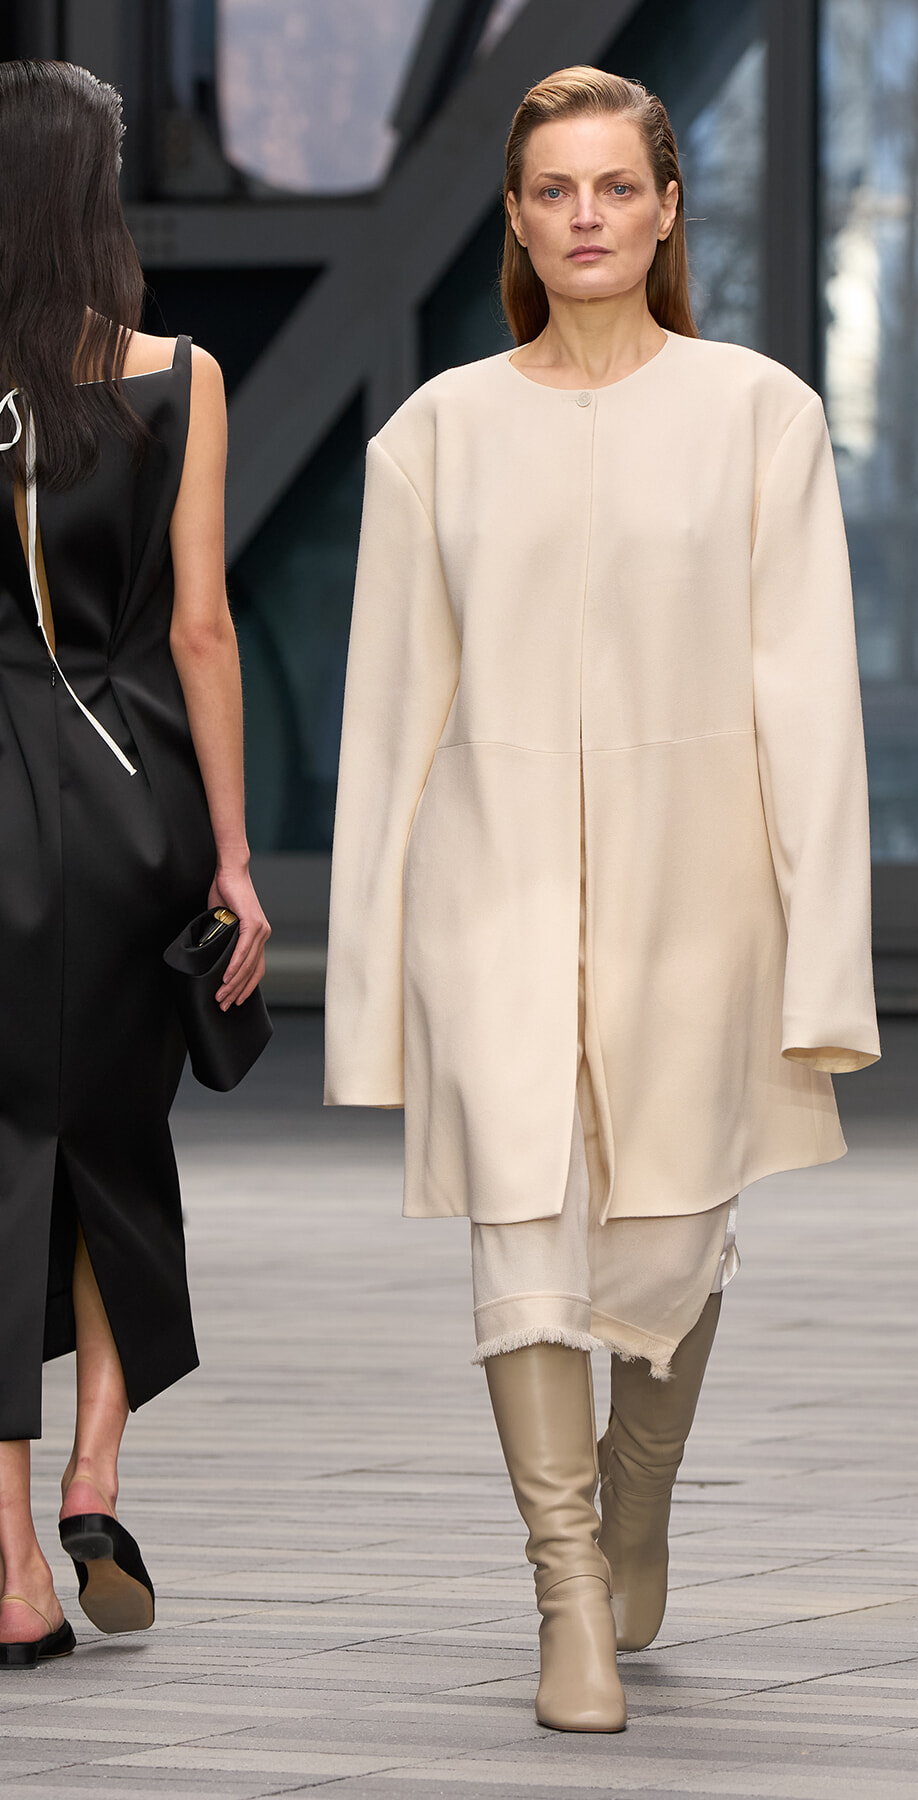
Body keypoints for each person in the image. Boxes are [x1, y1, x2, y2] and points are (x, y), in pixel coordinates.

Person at [326, 66, 877, 1733]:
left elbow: (811, 702)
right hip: (488, 885)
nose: (586, 217)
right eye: (554, 190)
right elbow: (389, 719)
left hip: (696, 895)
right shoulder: (434, 437)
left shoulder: (760, 414)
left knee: (668, 1241)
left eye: (616, 187)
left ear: (666, 209)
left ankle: (639, 1489)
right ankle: (565, 1583)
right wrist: (373, 992)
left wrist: (822, 959)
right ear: (514, 217)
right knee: (520, 1234)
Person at [0, 62, 269, 1668]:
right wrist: (231, 854)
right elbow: (203, 628)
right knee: (113, 1141)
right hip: (128, 793)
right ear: (97, 199)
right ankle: (97, 1470)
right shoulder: (178, 376)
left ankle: (11, 1575)